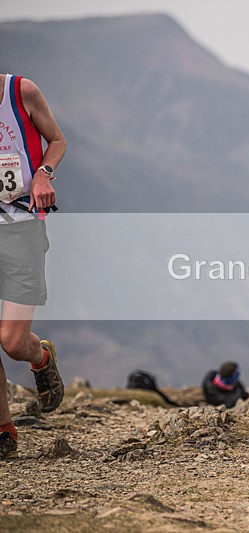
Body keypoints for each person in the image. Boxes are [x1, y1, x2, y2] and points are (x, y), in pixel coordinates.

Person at [0, 74, 66, 458]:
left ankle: (40, 356)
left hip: (21, 227)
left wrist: (44, 173)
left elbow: (57, 140)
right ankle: (5, 430)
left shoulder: (20, 90)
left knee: (11, 342)